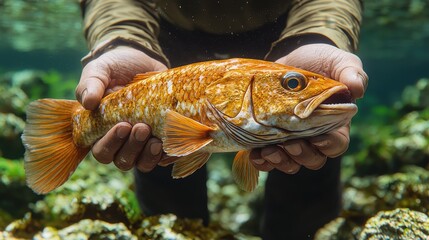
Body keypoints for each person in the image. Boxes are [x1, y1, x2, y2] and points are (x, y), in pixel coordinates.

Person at [77, 0, 368, 239]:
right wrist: (120, 40)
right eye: (293, 85)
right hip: (158, 36)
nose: (296, 88)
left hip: (291, 35)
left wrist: (318, 37)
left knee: (310, 164)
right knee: (162, 175)